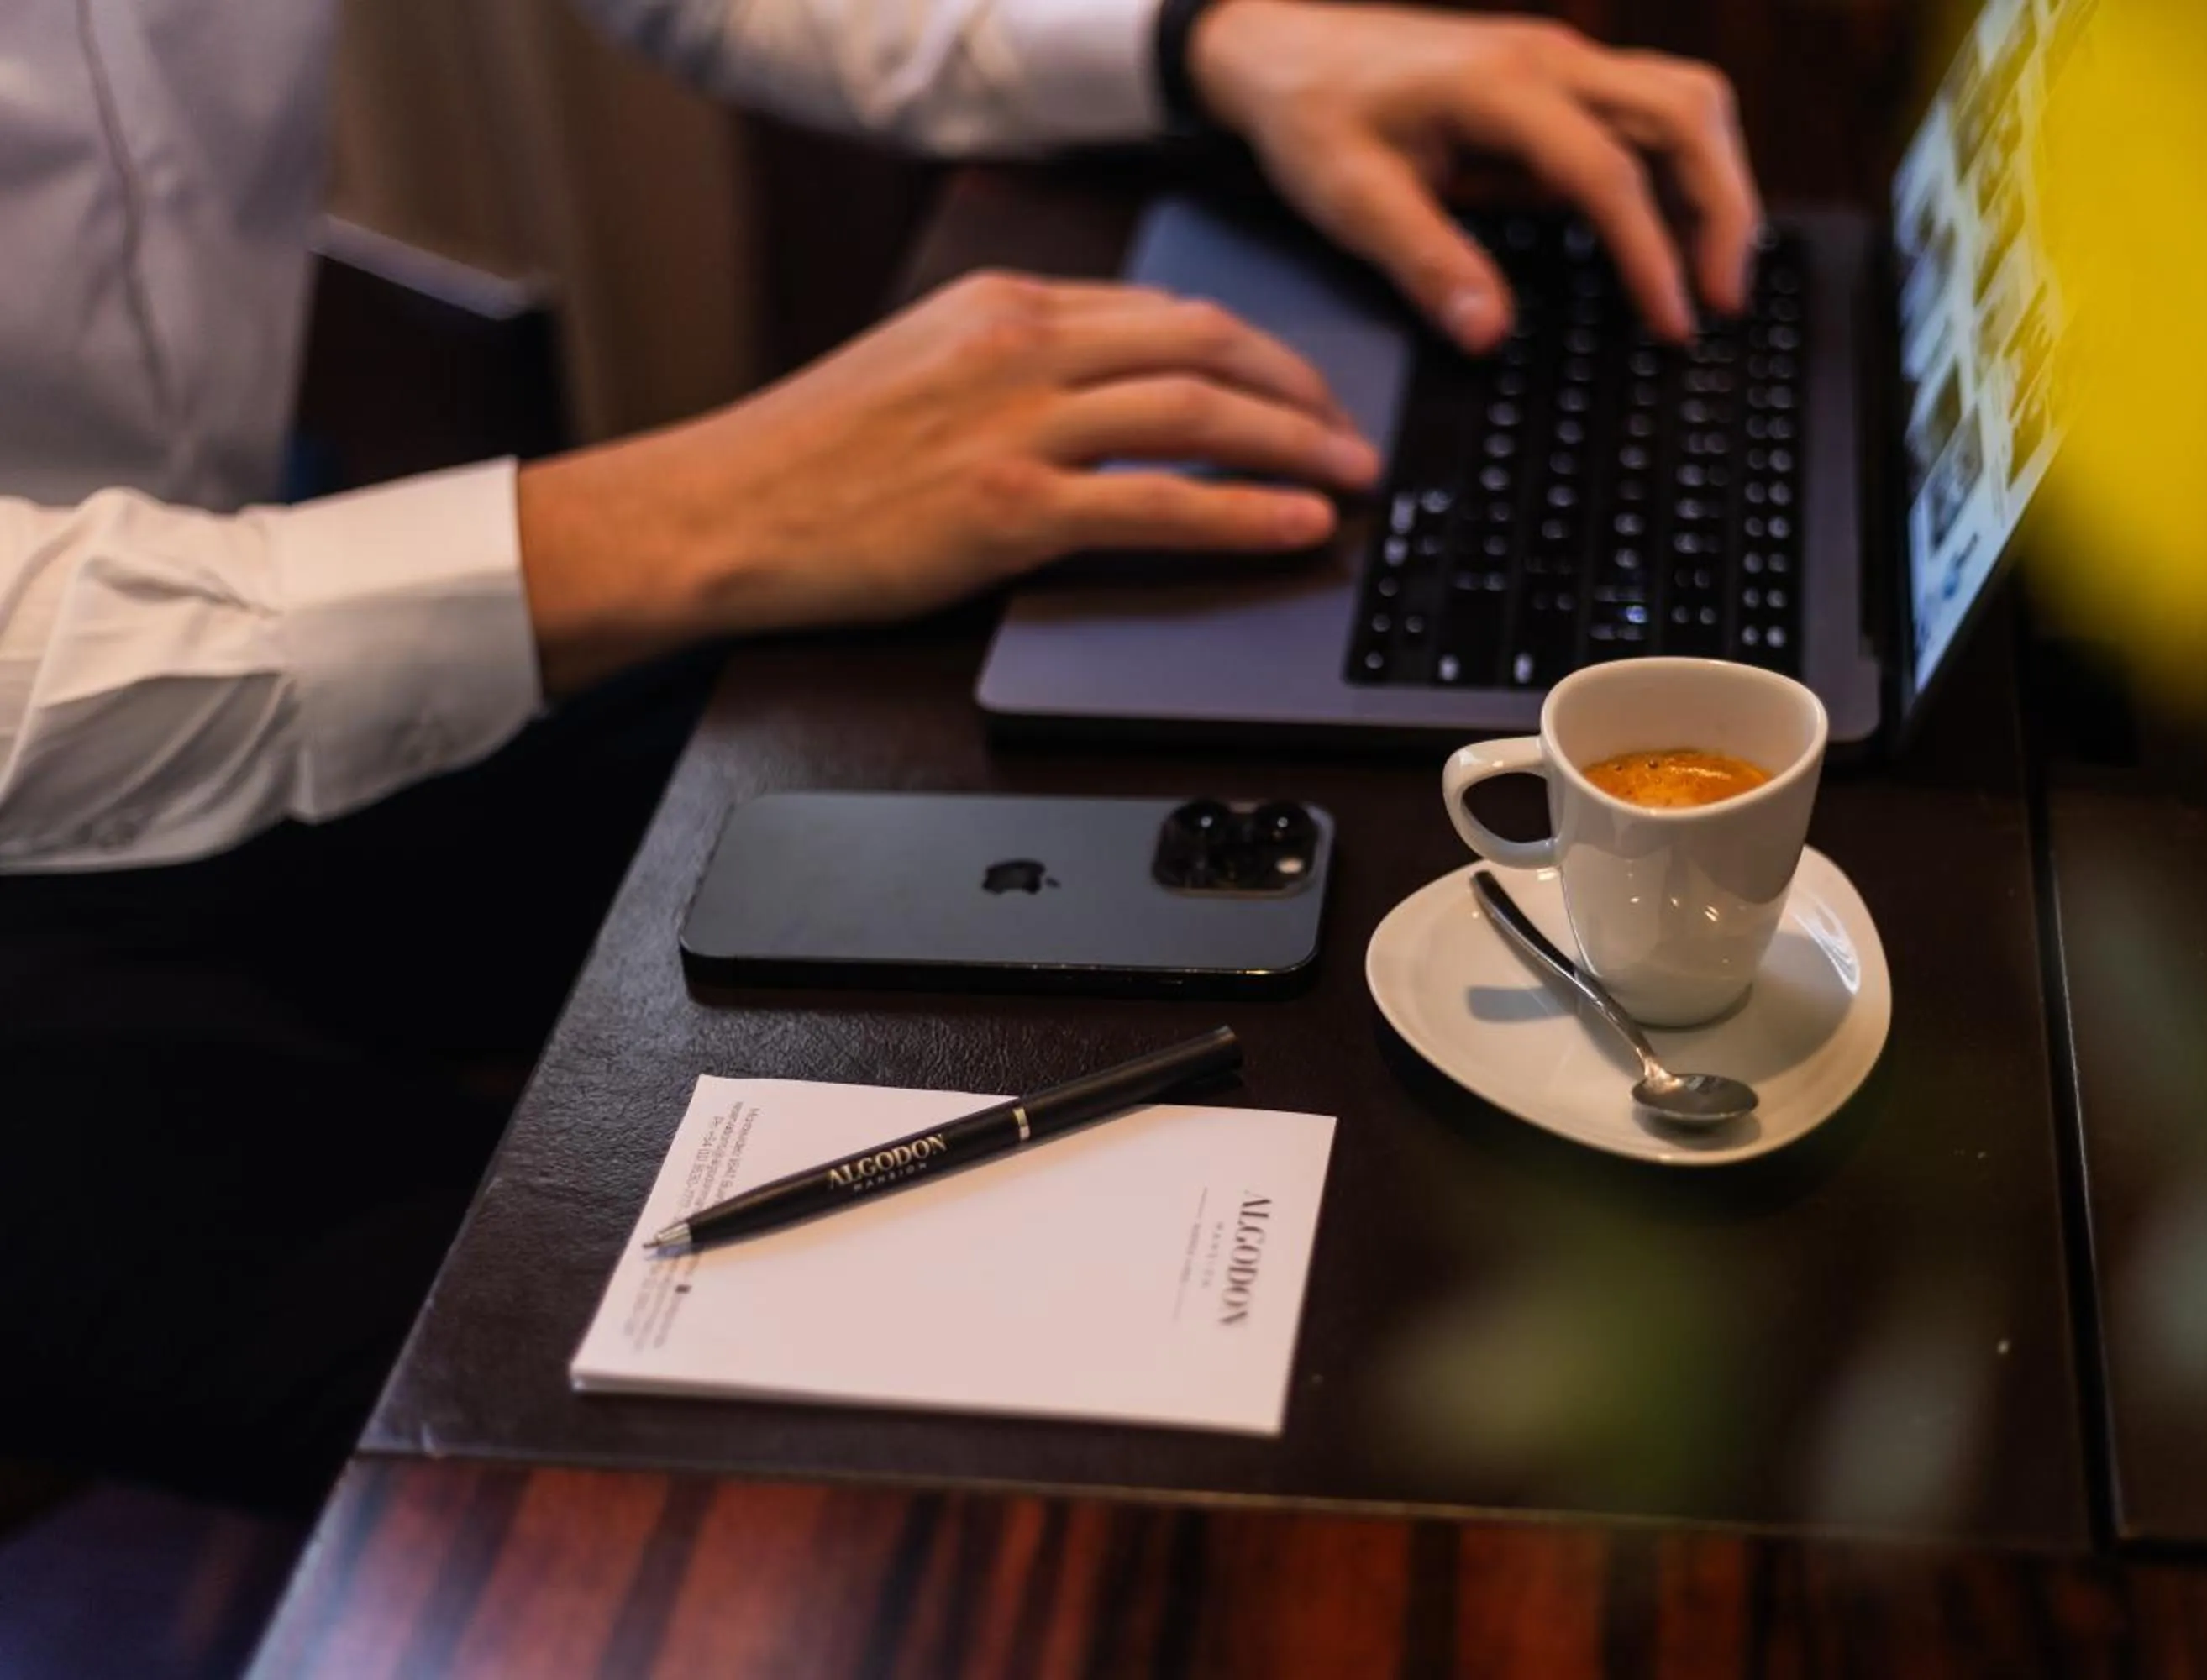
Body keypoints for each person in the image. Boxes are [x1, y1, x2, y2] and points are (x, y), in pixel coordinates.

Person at [0, 0, 1759, 1506]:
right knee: (690, 1432)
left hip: (235, 598)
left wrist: (1195, 41)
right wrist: (693, 513)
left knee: (1023, 720)